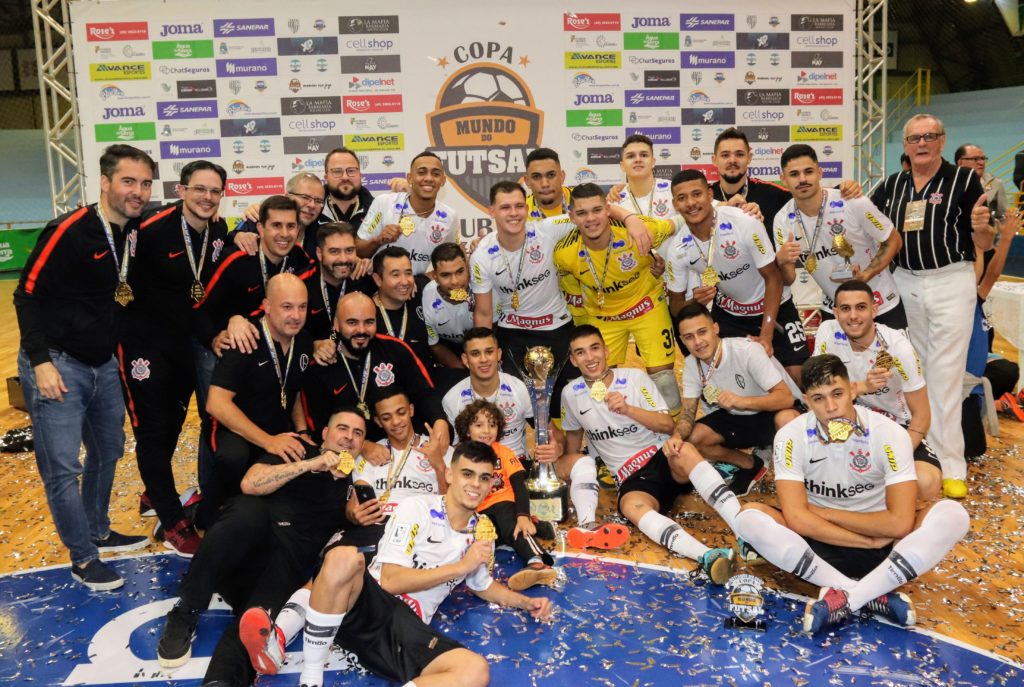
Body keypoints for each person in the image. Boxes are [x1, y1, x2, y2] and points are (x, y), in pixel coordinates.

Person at [238, 441, 553, 687]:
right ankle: (310, 676)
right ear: (449, 475)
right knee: (344, 557)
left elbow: (483, 586)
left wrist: (526, 603)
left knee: (475, 671)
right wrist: (460, 566)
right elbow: (388, 581)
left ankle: (282, 635)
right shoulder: (417, 507)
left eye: (484, 478)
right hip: (365, 605)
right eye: (467, 474)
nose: (475, 484)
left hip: (403, 632)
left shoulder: (481, 530)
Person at [732, 355, 970, 635]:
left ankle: (846, 598)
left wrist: (822, 513)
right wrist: (864, 539)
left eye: (837, 394)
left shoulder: (890, 434)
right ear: (807, 402)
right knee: (747, 519)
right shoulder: (790, 436)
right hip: (819, 545)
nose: (831, 407)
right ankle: (870, 594)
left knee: (954, 515)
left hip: (884, 545)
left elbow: (901, 523)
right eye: (819, 398)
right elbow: (797, 520)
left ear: (853, 391)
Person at [14, 143, 153, 589]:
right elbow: (26, 294)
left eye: (146, 183)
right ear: (106, 182)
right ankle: (83, 556)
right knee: (62, 468)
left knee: (109, 450)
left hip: (103, 363)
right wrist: (40, 362)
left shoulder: (134, 229)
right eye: (128, 181)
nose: (138, 191)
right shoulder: (70, 229)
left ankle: (98, 528)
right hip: (57, 363)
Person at [157, 407, 365, 675]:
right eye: (342, 428)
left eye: (358, 433)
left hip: (281, 569)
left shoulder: (357, 486)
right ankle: (186, 609)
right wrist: (311, 464)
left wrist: (355, 514)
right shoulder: (298, 448)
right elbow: (250, 484)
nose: (349, 437)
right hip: (242, 548)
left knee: (255, 629)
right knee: (247, 511)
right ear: (325, 433)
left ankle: (221, 681)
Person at [870, 114, 993, 498]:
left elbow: (984, 240)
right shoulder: (891, 186)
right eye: (914, 138)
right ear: (905, 145)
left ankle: (952, 464)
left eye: (929, 136)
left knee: (945, 374)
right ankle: (923, 453)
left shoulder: (965, 180)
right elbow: (864, 223)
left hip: (951, 279)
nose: (921, 143)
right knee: (913, 372)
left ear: (941, 141)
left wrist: (983, 228)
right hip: (905, 282)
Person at [555, 326, 739, 582]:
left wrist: (628, 409)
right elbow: (573, 444)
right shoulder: (570, 394)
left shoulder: (634, 377)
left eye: (595, 348)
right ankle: (707, 556)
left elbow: (667, 426)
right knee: (631, 507)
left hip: (661, 457)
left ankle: (744, 531)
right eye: (580, 353)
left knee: (683, 449)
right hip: (632, 478)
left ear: (606, 351)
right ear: (574, 360)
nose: (590, 357)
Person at [119, 160, 231, 556]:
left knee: (171, 425)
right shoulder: (147, 230)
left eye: (215, 191)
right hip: (144, 347)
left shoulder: (218, 231)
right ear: (182, 190)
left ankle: (154, 493)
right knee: (152, 430)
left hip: (185, 344)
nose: (207, 197)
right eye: (199, 189)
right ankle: (172, 520)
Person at [664, 169, 810, 382]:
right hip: (731, 315)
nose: (690, 203)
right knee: (733, 379)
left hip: (775, 306)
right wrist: (694, 301)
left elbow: (774, 278)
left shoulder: (744, 222)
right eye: (682, 198)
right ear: (675, 204)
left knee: (797, 376)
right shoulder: (677, 249)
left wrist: (766, 337)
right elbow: (676, 307)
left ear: (709, 194)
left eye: (697, 194)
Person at [553, 184, 680, 413]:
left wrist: (724, 206)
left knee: (663, 379)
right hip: (603, 317)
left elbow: (677, 223)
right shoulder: (564, 253)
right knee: (597, 382)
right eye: (582, 213)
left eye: (597, 210)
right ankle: (608, 438)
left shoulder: (640, 229)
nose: (591, 219)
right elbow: (571, 292)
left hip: (646, 306)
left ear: (608, 209)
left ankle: (675, 435)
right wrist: (583, 327)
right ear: (571, 216)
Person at [814, 280, 941, 500]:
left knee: (926, 483)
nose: (853, 316)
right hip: (845, 420)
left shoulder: (898, 348)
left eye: (861, 307)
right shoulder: (827, 332)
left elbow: (922, 415)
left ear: (875, 309)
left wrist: (894, 458)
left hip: (896, 425)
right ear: (835, 312)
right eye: (845, 309)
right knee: (818, 472)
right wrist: (863, 387)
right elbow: (818, 393)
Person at [204, 274, 313, 520]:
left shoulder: (303, 341)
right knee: (234, 457)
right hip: (231, 430)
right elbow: (216, 403)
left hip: (274, 428)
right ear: (267, 306)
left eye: (302, 307)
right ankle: (209, 515)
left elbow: (291, 388)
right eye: (287, 307)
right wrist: (268, 441)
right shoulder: (246, 339)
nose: (296, 315)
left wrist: (303, 431)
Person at [471, 181, 578, 414]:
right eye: (505, 207)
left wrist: (629, 219)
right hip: (514, 334)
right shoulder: (482, 256)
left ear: (527, 209)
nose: (514, 213)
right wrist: (484, 352)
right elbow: (483, 312)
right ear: (491, 211)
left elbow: (589, 214)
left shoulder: (547, 230)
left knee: (568, 402)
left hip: (557, 327)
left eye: (519, 206)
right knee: (520, 406)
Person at [672, 303, 799, 497]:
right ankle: (750, 465)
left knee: (787, 420)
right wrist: (676, 437)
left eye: (702, 332)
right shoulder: (691, 364)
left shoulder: (747, 350)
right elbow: (688, 412)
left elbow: (786, 397)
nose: (697, 342)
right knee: (694, 439)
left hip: (770, 412)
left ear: (715, 328)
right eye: (689, 337)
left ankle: (795, 478)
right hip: (738, 418)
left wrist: (742, 402)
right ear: (682, 340)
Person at [299, 292, 448, 455]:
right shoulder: (321, 366)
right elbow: (319, 429)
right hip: (343, 453)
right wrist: (362, 446)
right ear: (337, 324)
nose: (361, 330)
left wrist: (439, 420)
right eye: (352, 322)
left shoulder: (396, 350)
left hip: (401, 445)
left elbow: (424, 394)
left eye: (369, 322)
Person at [774, 144, 906, 328]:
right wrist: (782, 262)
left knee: (894, 358)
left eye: (809, 171)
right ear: (783, 179)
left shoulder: (852, 201)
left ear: (820, 173)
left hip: (880, 303)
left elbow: (894, 241)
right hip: (835, 310)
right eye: (794, 174)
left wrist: (866, 275)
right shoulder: (782, 220)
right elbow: (789, 279)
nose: (802, 179)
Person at [454, 400, 558, 591]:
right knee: (496, 538)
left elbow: (520, 486)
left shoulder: (503, 452)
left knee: (513, 526)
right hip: (479, 512)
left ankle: (537, 562)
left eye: (492, 424)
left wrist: (523, 517)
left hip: (504, 502)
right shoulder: (460, 455)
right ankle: (540, 526)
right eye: (479, 425)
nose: (487, 430)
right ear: (467, 430)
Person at [443, 326, 562, 464]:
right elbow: (451, 450)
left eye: (489, 352)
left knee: (575, 462)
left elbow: (555, 435)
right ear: (465, 359)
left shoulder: (520, 389)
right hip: (476, 469)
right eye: (475, 354)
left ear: (499, 354)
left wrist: (557, 448)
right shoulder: (452, 399)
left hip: (516, 466)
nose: (483, 359)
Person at [356, 151, 458, 280]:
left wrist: (428, 277)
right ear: (410, 178)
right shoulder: (384, 203)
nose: (428, 178)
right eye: (421, 172)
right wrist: (378, 239)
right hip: (379, 287)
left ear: (443, 180)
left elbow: (452, 260)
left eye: (436, 174)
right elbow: (358, 250)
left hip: (417, 290)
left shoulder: (449, 217)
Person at [521, 148, 589, 325]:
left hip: (589, 300)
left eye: (551, 175)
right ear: (527, 181)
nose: (544, 183)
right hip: (547, 307)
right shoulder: (519, 214)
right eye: (536, 177)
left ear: (562, 176)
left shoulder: (584, 201)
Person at [304, 221, 375, 352]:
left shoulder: (365, 279)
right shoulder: (301, 285)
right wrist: (310, 346)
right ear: (319, 254)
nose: (343, 259)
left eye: (349, 250)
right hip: (315, 364)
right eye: (334, 251)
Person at [709, 127, 794, 234]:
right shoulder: (704, 197)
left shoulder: (775, 195)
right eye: (725, 155)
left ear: (749, 158)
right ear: (714, 160)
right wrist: (723, 208)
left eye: (739, 154)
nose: (732, 160)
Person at [234, 172, 332, 257]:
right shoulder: (259, 218)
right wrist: (237, 236)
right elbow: (230, 240)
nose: (312, 205)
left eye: (318, 201)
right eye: (305, 197)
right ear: (287, 197)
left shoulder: (326, 229)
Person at [422, 242, 475, 371]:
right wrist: (462, 372)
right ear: (435, 276)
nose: (455, 281)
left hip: (481, 346)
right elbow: (434, 344)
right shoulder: (428, 296)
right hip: (448, 350)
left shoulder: (481, 286)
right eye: (445, 275)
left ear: (467, 268)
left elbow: (493, 330)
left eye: (460, 272)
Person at [323, 147, 376, 228]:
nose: (345, 177)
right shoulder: (312, 212)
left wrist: (402, 197)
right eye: (337, 171)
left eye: (351, 170)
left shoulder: (377, 210)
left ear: (360, 175)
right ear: (326, 177)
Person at [955, 143, 1009, 221]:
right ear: (960, 162)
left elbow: (1003, 215)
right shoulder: (948, 182)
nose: (981, 163)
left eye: (983, 158)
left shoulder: (995, 183)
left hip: (984, 231)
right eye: (975, 159)